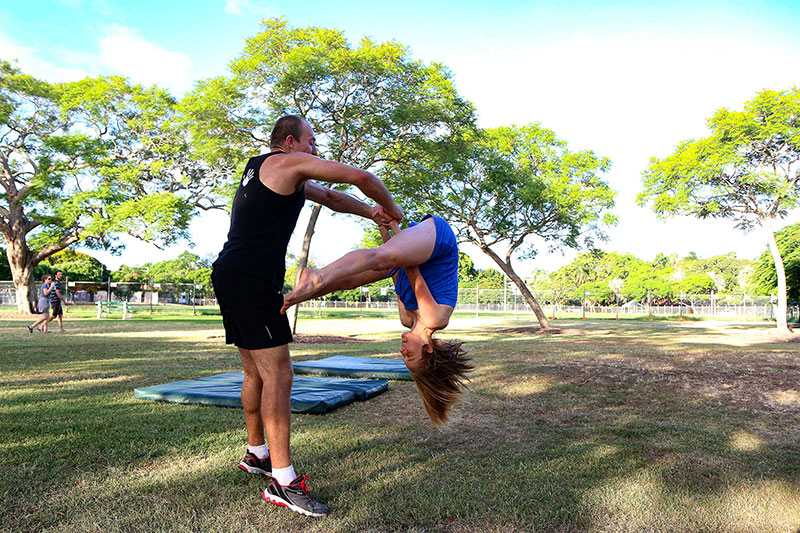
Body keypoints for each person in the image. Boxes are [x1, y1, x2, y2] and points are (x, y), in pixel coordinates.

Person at [211, 114, 403, 518]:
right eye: (312, 142)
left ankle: (257, 454)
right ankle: (283, 482)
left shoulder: (268, 169)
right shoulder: (287, 162)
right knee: (279, 375)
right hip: (250, 279)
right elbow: (360, 177)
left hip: (231, 271)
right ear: (291, 142)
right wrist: (390, 209)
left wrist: (370, 214)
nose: (316, 149)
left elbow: (333, 197)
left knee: (255, 372)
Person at [282, 215, 473, 426]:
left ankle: (288, 299)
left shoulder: (406, 318)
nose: (402, 351)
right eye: (409, 354)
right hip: (440, 245)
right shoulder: (435, 318)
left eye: (403, 356)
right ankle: (316, 277)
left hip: (416, 259)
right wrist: (395, 228)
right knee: (379, 258)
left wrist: (386, 230)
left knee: (349, 282)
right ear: (428, 348)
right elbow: (409, 266)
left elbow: (397, 275)